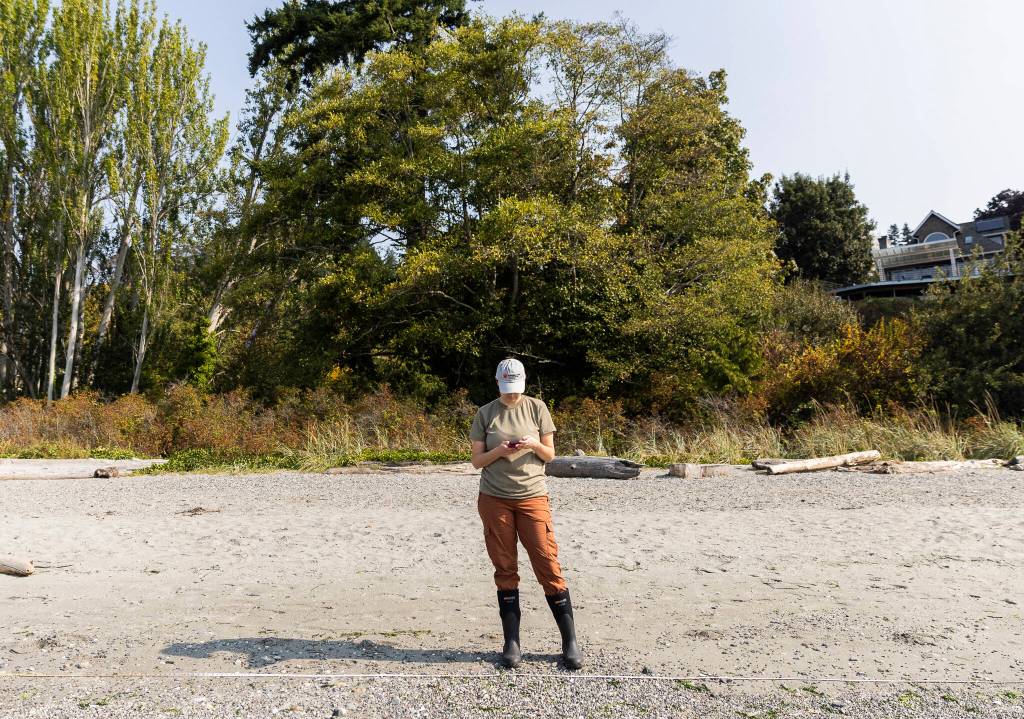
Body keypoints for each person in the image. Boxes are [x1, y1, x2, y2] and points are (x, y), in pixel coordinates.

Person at [469, 358, 582, 670]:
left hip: (533, 497)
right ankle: (512, 643)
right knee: (504, 567)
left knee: (547, 563)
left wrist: (532, 444)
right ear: (498, 383)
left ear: (523, 383)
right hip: (494, 498)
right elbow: (477, 461)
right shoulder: (485, 412)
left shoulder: (537, 408)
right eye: (506, 390)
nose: (511, 395)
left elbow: (550, 454)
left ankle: (570, 641)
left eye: (515, 389)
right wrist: (500, 451)